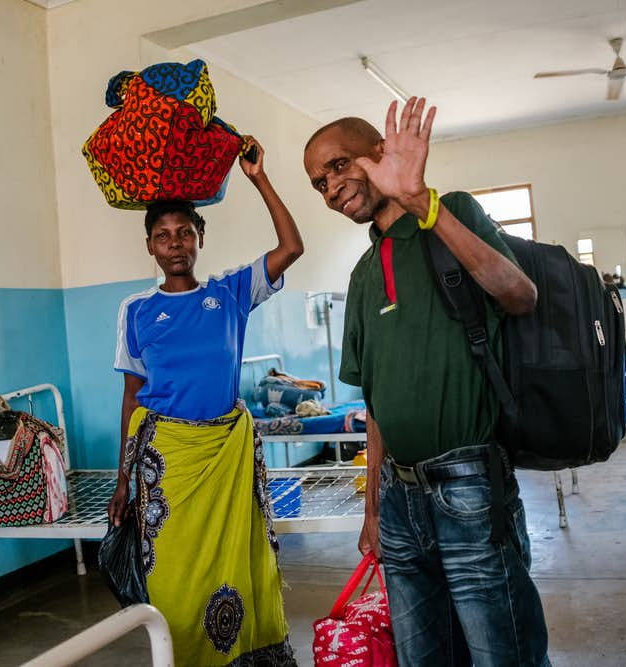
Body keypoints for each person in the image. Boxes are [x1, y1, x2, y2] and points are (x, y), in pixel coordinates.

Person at [303, 98, 551, 666]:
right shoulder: (363, 276)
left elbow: (520, 294)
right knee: (422, 656)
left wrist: (422, 201)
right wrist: (372, 511)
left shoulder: (450, 214)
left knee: (501, 651)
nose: (331, 186)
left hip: (468, 483)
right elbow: (377, 404)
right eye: (319, 182)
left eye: (339, 165)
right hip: (398, 499)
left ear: (379, 153)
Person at [108, 136, 302, 667]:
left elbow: (291, 247)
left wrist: (258, 178)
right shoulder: (135, 311)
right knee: (170, 578)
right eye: (163, 236)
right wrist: (123, 479)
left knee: (237, 563)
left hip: (226, 459)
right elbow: (131, 398)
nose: (175, 244)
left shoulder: (230, 295)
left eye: (185, 233)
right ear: (149, 246)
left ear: (200, 239)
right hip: (166, 463)